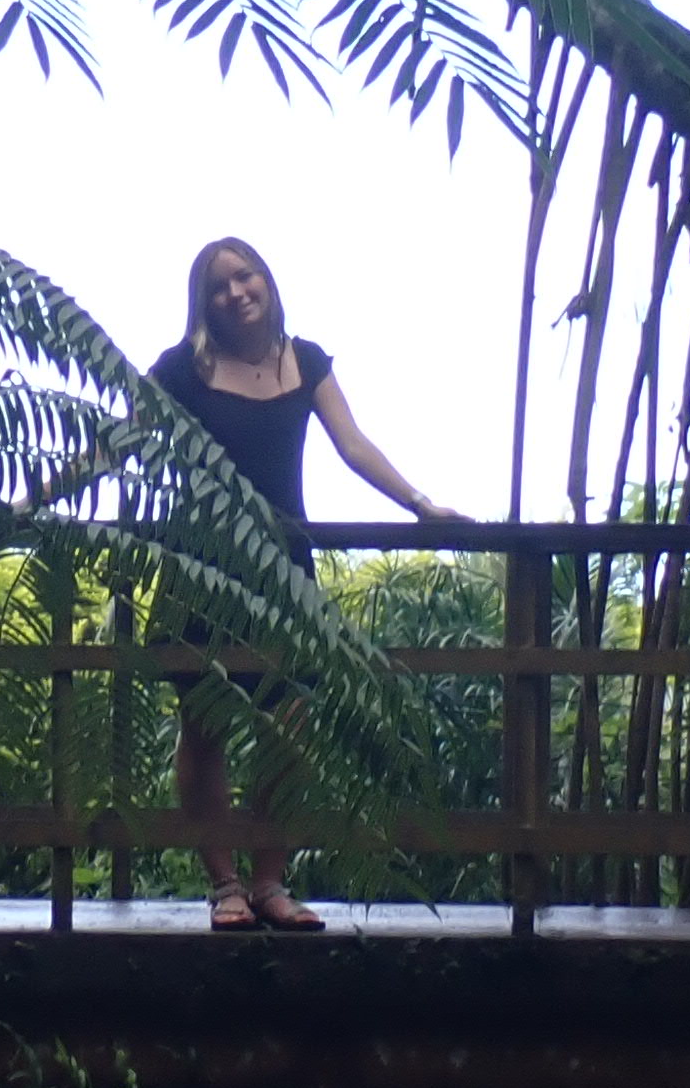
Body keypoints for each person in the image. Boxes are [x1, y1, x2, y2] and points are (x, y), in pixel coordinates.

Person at [150, 237, 463, 932]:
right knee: (204, 729)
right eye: (219, 286)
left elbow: (354, 446)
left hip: (284, 572)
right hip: (201, 569)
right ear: (204, 305)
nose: (236, 293)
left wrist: (420, 503)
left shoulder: (306, 361)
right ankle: (223, 884)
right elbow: (117, 438)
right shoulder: (184, 369)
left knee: (291, 728)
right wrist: (28, 504)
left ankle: (269, 883)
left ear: (266, 280)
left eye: (245, 276)